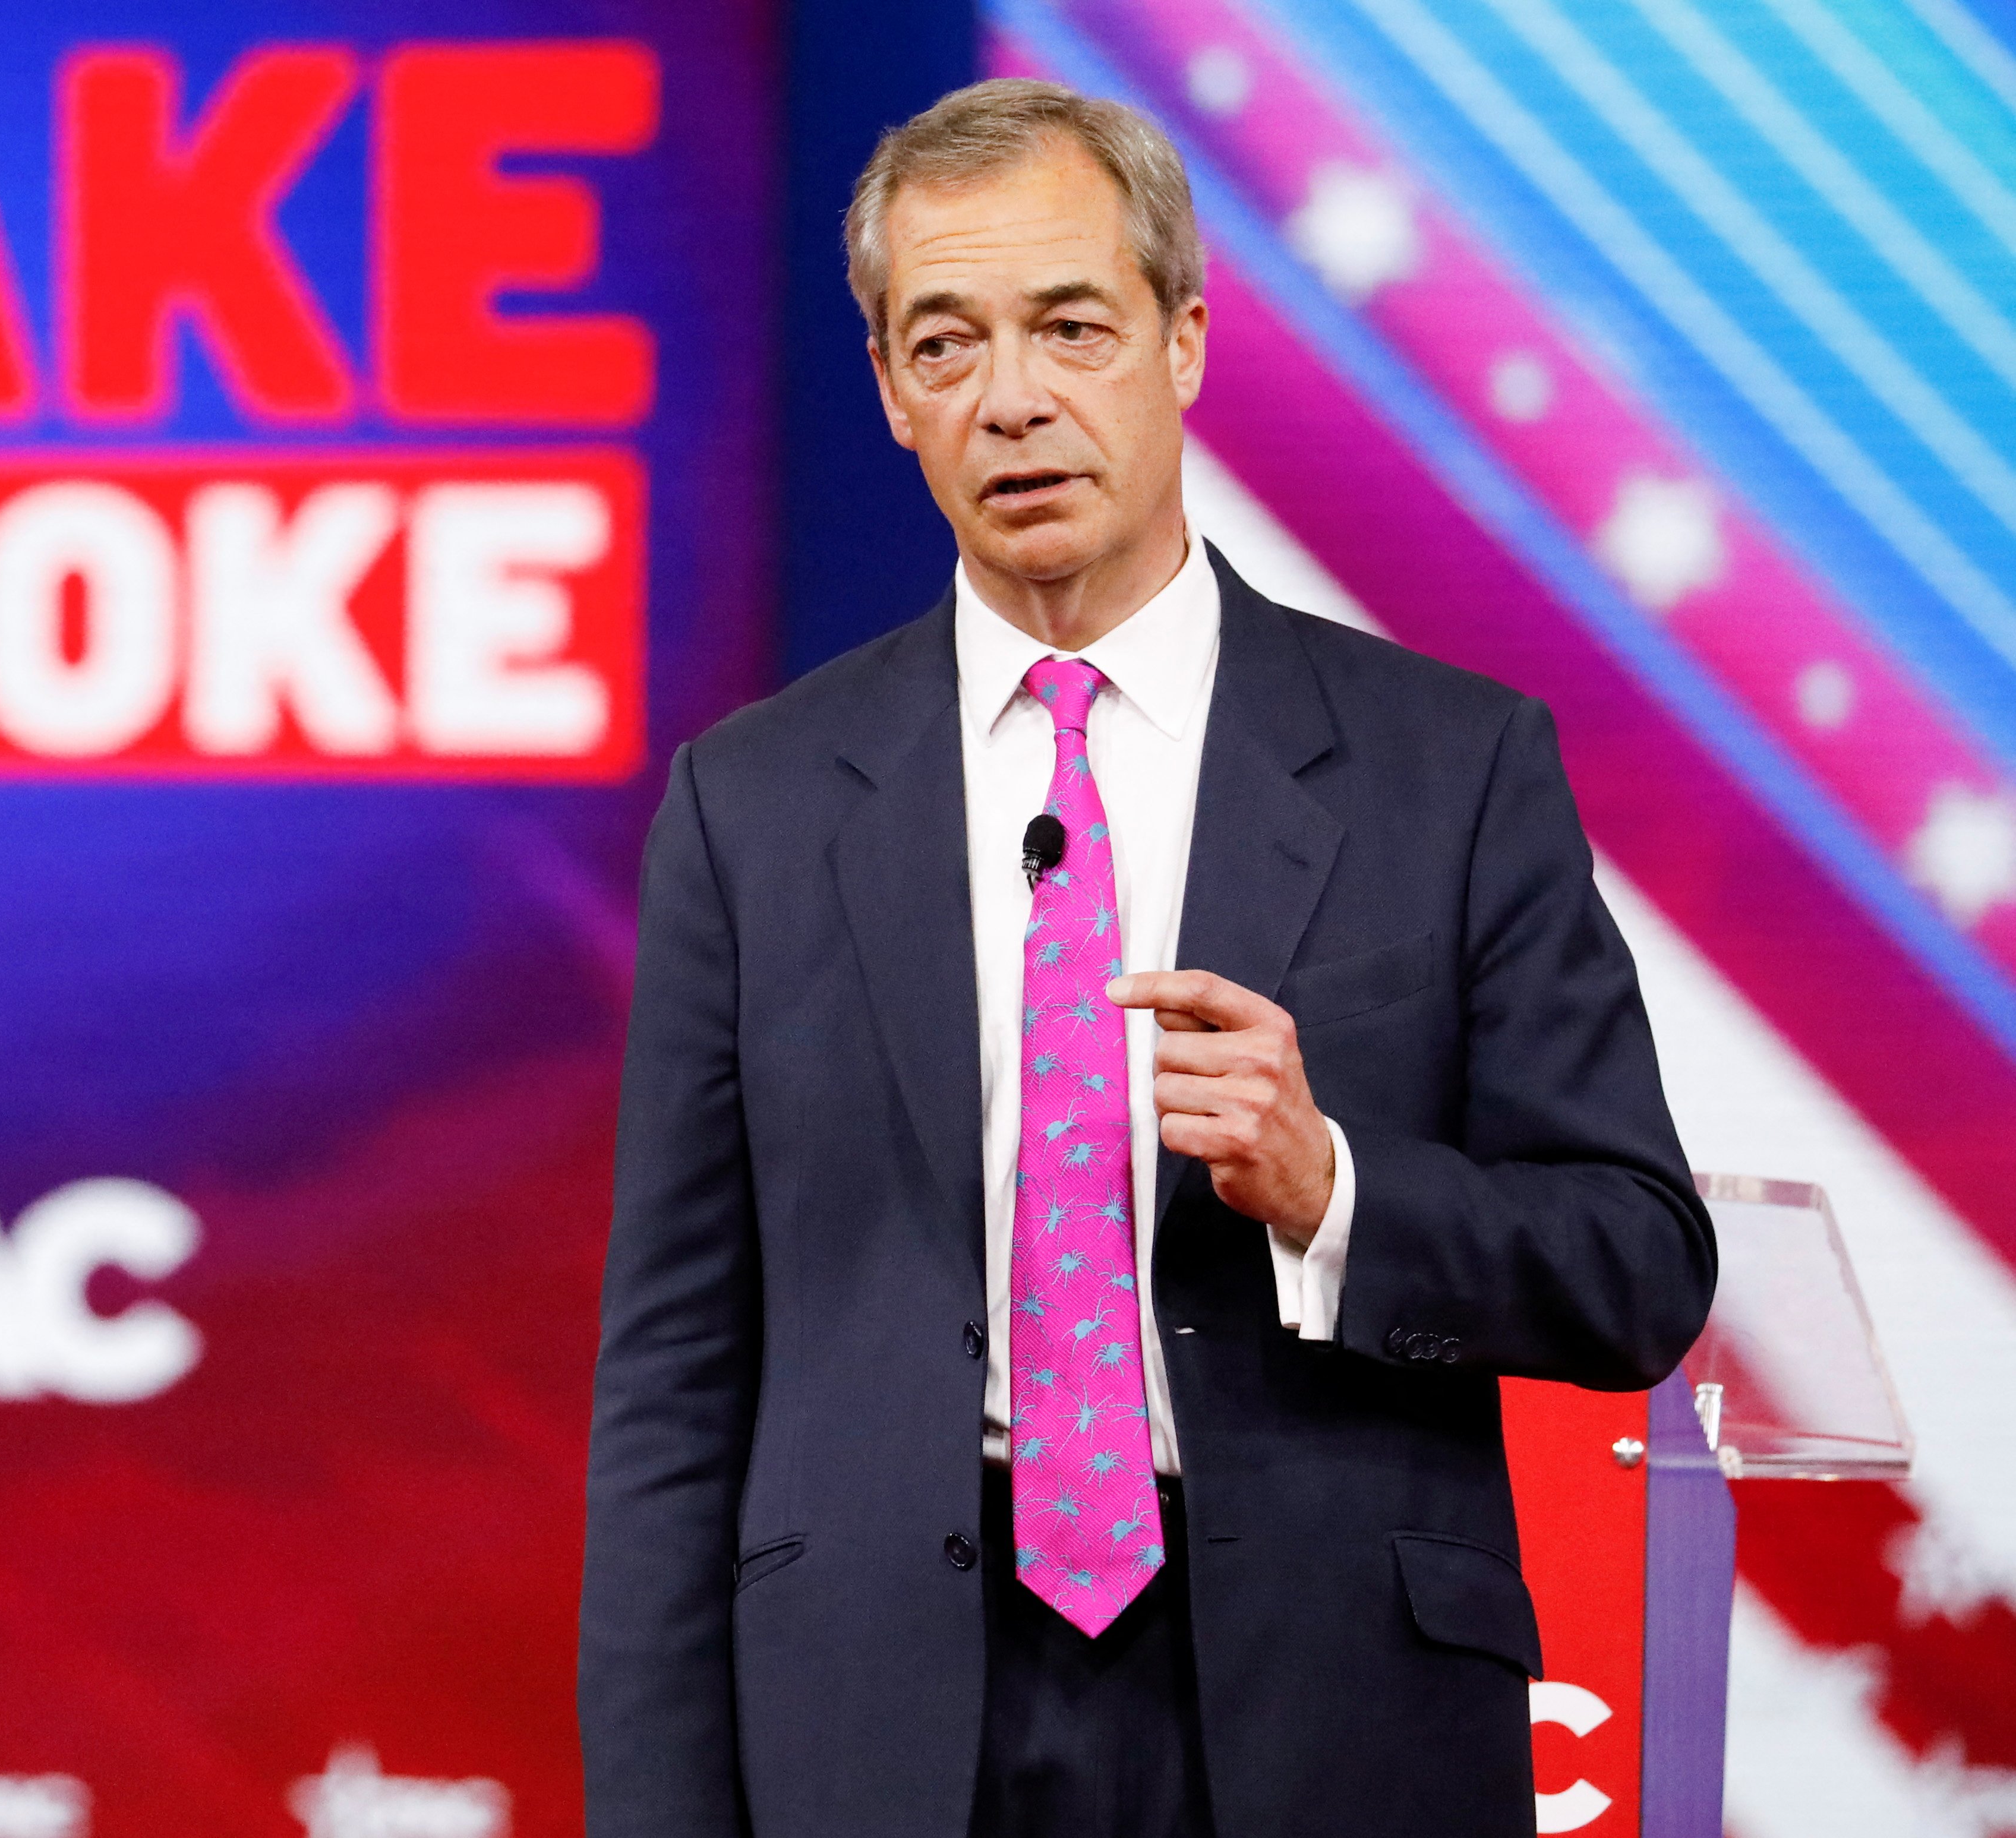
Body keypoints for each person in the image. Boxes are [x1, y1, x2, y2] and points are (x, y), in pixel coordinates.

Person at [579, 79, 1715, 1838]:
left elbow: (1637, 1265)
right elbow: (672, 1374)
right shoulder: (757, 805)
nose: (1012, 398)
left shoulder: (1450, 765)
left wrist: (1327, 1184)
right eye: (944, 343)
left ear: (1183, 342)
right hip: (885, 1716)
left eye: (1071, 327)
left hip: (1329, 1699)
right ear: (890, 393)